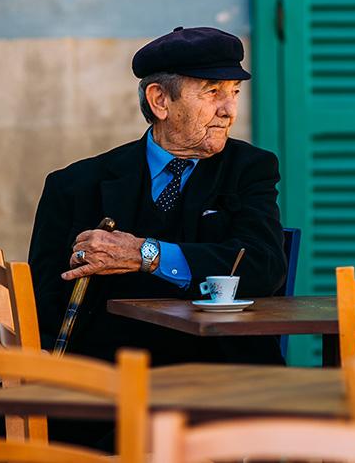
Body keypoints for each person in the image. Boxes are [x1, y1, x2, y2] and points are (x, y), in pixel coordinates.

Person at [28, 26, 287, 367]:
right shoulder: (73, 186)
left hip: (220, 377)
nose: (229, 110)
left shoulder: (251, 169)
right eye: (212, 92)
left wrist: (146, 254)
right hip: (105, 382)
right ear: (160, 100)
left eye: (235, 92)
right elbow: (44, 302)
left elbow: (264, 266)